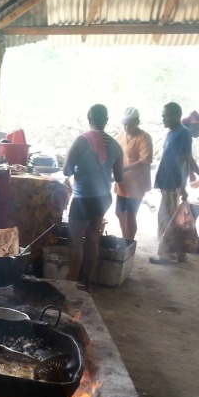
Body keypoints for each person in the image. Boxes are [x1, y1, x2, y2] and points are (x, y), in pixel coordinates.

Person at [62, 104, 124, 290]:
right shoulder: (116, 145)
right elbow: (119, 177)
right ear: (106, 120)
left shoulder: (82, 141)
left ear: (89, 119)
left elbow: (66, 170)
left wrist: (81, 169)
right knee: (92, 240)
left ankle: (72, 284)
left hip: (83, 198)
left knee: (75, 242)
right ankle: (88, 284)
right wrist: (101, 174)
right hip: (103, 197)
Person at [150, 102, 194, 265]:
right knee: (171, 219)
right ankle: (179, 253)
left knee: (166, 219)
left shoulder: (184, 133)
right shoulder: (171, 133)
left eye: (165, 116)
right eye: (162, 116)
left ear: (176, 116)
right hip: (166, 183)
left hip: (174, 183)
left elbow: (186, 160)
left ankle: (168, 255)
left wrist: (183, 185)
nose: (163, 119)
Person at [114, 107, 153, 241]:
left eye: (130, 124)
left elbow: (145, 160)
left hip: (137, 183)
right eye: (125, 124)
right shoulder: (120, 136)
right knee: (119, 213)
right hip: (122, 182)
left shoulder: (144, 137)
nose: (126, 127)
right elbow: (113, 154)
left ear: (137, 122)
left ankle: (129, 240)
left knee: (130, 214)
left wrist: (124, 169)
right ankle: (125, 237)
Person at [180, 110, 199, 189]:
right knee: (171, 200)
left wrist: (190, 172)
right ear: (190, 125)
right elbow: (189, 158)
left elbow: (184, 156)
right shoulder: (185, 136)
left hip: (171, 175)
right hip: (172, 176)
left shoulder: (180, 132)